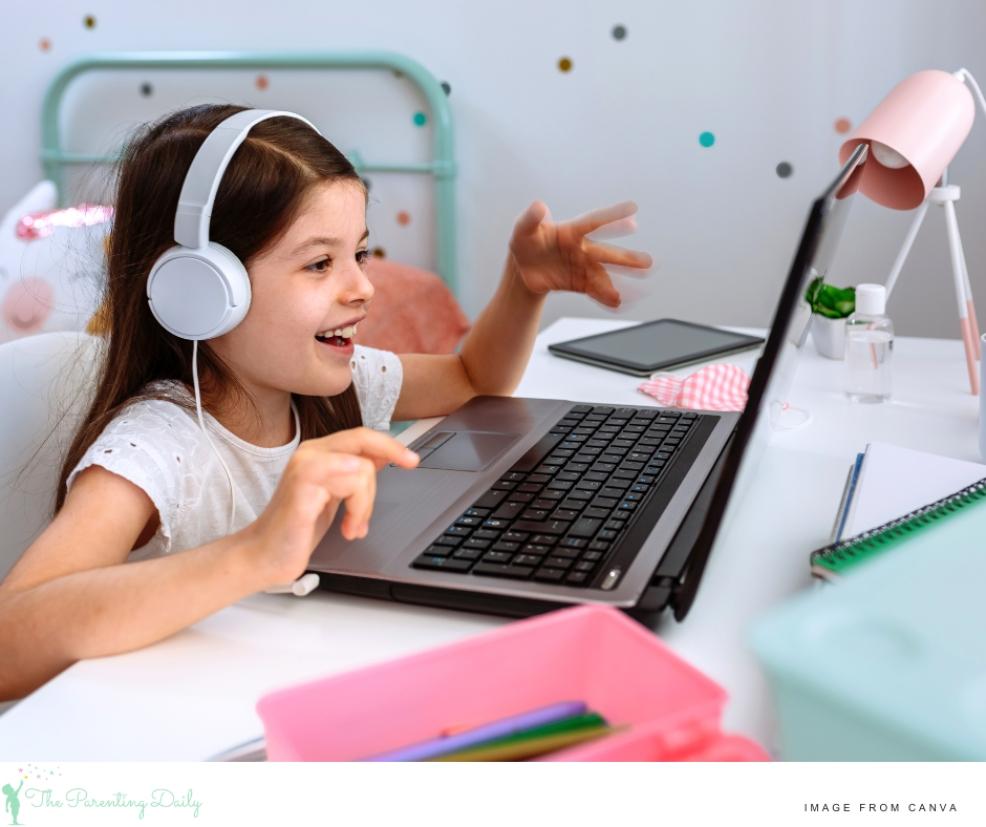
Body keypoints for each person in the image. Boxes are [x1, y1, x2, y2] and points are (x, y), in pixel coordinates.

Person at [0, 104, 651, 700]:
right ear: (199, 290)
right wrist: (254, 552)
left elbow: (473, 376)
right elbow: (10, 644)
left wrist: (523, 285)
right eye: (319, 264)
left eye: (360, 253)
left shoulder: (335, 387)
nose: (364, 287)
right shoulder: (159, 445)